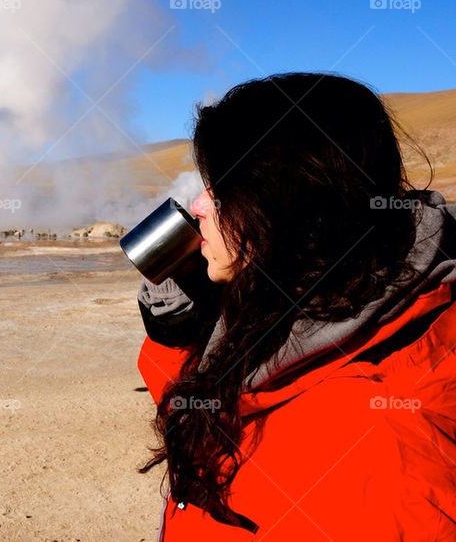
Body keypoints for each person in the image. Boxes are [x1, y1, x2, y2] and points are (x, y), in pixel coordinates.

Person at [136, 72, 456, 540]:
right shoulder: (302, 311)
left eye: (221, 191)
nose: (198, 206)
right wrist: (183, 332)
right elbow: (228, 416)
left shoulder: (381, 456)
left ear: (285, 209)